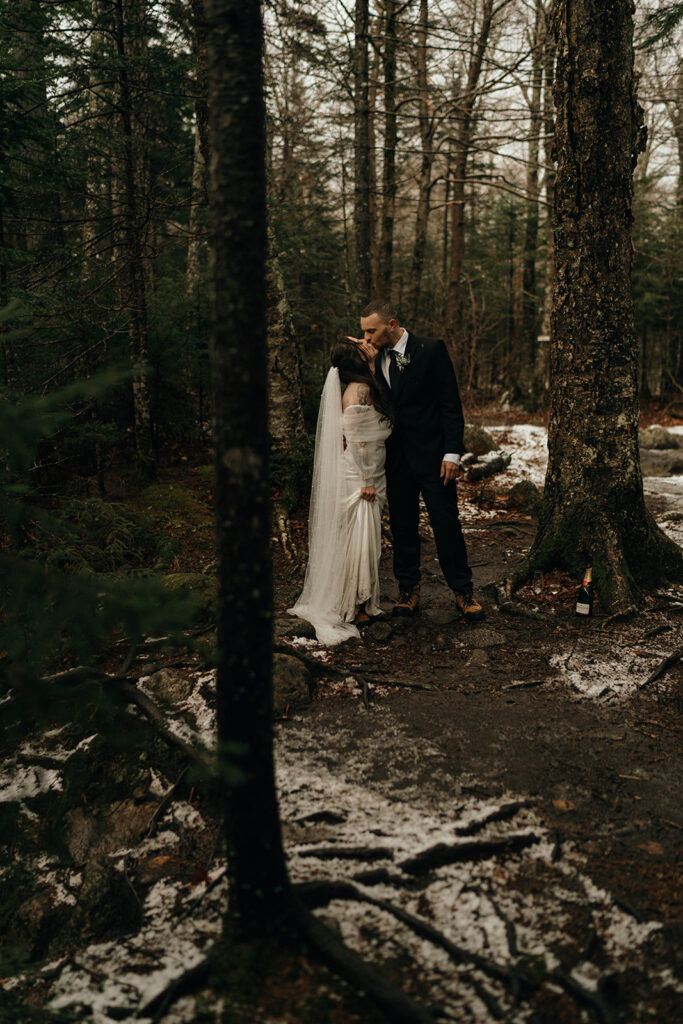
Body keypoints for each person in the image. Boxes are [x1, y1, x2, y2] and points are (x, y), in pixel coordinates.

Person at [349, 299, 484, 622]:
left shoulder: (432, 349)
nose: (366, 337)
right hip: (394, 459)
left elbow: (451, 405)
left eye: (372, 330)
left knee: (446, 523)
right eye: (363, 331)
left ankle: (463, 591)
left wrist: (453, 452)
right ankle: (408, 590)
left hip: (435, 457)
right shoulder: (372, 357)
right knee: (402, 526)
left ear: (391, 324)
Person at [288, 338, 393, 645]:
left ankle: (359, 601)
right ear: (356, 359)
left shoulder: (365, 384)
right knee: (359, 536)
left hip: (372, 469)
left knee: (365, 535)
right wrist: (365, 480)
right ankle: (355, 605)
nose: (365, 342)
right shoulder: (358, 391)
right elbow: (357, 440)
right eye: (359, 344)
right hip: (362, 473)